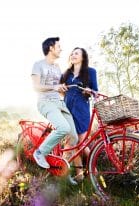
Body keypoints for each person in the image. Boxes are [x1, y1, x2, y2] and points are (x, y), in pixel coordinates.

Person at [31, 37, 78, 169]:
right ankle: (40, 153)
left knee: (73, 137)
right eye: (58, 46)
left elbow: (58, 88)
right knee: (63, 128)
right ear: (51, 48)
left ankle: (61, 167)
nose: (61, 49)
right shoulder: (38, 65)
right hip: (46, 102)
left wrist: (63, 89)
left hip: (59, 103)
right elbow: (36, 87)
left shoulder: (57, 67)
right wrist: (54, 87)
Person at [60, 47, 98, 181]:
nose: (73, 55)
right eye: (72, 53)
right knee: (73, 143)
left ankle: (93, 171)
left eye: (76, 53)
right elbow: (60, 92)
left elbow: (96, 92)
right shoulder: (66, 74)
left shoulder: (90, 72)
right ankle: (80, 175)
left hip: (82, 111)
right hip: (67, 110)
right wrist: (61, 89)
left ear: (83, 57)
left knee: (80, 143)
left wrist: (89, 90)